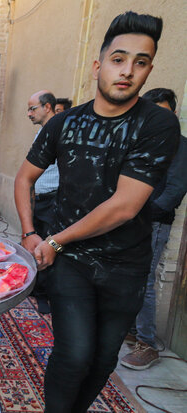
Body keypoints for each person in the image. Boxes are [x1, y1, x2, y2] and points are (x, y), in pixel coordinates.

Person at [14, 11, 179, 412]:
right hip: (71, 260)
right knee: (74, 355)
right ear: (98, 66)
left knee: (103, 361)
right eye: (118, 59)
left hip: (126, 264)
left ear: (149, 70)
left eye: (141, 63)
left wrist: (53, 238)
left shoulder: (158, 124)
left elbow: (125, 206)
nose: (128, 71)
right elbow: (23, 179)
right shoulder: (64, 123)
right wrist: (29, 233)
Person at [120, 88, 187, 370]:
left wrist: (142, 212)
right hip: (131, 220)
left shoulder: (180, 145)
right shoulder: (145, 141)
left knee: (145, 281)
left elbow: (174, 190)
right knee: (130, 277)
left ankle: (147, 343)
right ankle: (134, 330)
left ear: (173, 112)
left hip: (155, 222)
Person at [25, 90, 58, 314]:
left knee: (47, 244)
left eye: (32, 108)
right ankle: (35, 288)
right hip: (39, 198)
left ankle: (45, 294)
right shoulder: (42, 132)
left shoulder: (59, 130)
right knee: (34, 242)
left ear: (47, 107)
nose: (29, 113)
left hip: (52, 199)